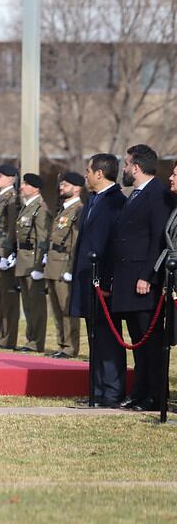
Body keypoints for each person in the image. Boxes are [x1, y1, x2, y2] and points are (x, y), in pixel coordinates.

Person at [111, 144, 172, 411]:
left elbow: (158, 239)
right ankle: (139, 391)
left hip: (143, 280)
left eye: (126, 164)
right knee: (137, 341)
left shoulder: (158, 194)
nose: (124, 169)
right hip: (127, 276)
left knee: (151, 341)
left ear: (136, 167)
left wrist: (147, 275)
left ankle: (154, 395)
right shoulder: (136, 194)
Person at [69, 154, 125, 407]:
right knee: (95, 337)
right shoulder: (93, 199)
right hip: (87, 278)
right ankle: (97, 390)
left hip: (103, 281)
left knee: (108, 338)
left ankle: (111, 390)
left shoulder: (116, 202)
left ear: (99, 174)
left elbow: (114, 245)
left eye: (88, 170)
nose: (86, 174)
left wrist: (108, 281)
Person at [44, 171, 84, 358]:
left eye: (66, 184)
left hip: (64, 264)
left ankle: (70, 346)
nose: (61, 187)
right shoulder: (63, 209)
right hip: (53, 263)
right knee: (56, 308)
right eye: (61, 184)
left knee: (67, 309)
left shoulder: (78, 210)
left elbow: (76, 243)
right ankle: (62, 344)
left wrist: (70, 269)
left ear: (77, 188)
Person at [14, 173, 52, 353]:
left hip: (32, 262)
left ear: (35, 188)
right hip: (23, 261)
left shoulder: (40, 208)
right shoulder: (27, 207)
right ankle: (30, 339)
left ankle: (36, 342)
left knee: (36, 305)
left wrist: (39, 266)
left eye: (26, 184)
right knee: (28, 305)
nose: (22, 187)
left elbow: (43, 239)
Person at [0, 164, 20, 350]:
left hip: (3, 252)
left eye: (0, 175)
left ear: (11, 178)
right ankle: (1, 336)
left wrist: (8, 253)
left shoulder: (11, 199)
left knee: (8, 299)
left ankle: (9, 338)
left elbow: (11, 230)